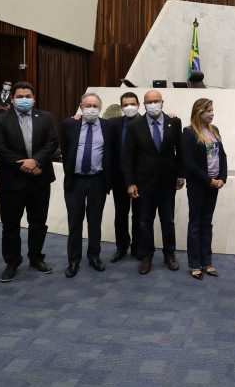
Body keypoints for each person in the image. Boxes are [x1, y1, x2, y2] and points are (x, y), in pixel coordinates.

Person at [0, 81, 58, 282]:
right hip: (11, 181)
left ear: (34, 98)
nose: (24, 99)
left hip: (40, 178)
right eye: (19, 96)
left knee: (38, 222)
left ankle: (36, 258)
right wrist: (25, 164)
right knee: (10, 224)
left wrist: (36, 161)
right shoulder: (0, 120)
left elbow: (52, 142)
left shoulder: (45, 117)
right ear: (12, 99)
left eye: (28, 96)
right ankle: (12, 261)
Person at [123, 90, 185, 275]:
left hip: (168, 183)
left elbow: (180, 151)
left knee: (168, 221)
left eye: (156, 101)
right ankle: (146, 255)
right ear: (143, 104)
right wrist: (130, 183)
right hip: (144, 183)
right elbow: (127, 158)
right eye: (149, 101)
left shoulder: (174, 122)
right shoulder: (135, 125)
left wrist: (181, 175)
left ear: (162, 102)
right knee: (144, 222)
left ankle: (169, 254)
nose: (153, 104)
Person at [59, 93, 116, 278]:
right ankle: (73, 260)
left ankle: (94, 256)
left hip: (97, 180)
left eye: (95, 106)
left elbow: (111, 152)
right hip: (75, 180)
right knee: (74, 222)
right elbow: (66, 150)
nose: (91, 109)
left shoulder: (108, 126)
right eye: (88, 105)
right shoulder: (70, 125)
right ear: (81, 107)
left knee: (95, 221)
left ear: (99, 108)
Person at [181, 98, 228, 280]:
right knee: (195, 224)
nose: (212, 113)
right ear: (198, 112)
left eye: (212, 110)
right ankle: (194, 264)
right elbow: (189, 163)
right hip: (198, 185)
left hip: (214, 184)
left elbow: (222, 156)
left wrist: (222, 178)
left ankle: (207, 262)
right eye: (208, 110)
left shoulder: (214, 130)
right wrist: (208, 180)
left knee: (207, 223)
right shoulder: (189, 132)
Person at [107, 92, 142, 262]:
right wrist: (78, 116)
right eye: (126, 104)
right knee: (121, 214)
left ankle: (137, 248)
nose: (129, 107)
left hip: (141, 178)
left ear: (139, 105)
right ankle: (121, 247)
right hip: (119, 178)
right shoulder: (113, 123)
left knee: (139, 214)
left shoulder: (146, 123)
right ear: (121, 107)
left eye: (132, 104)